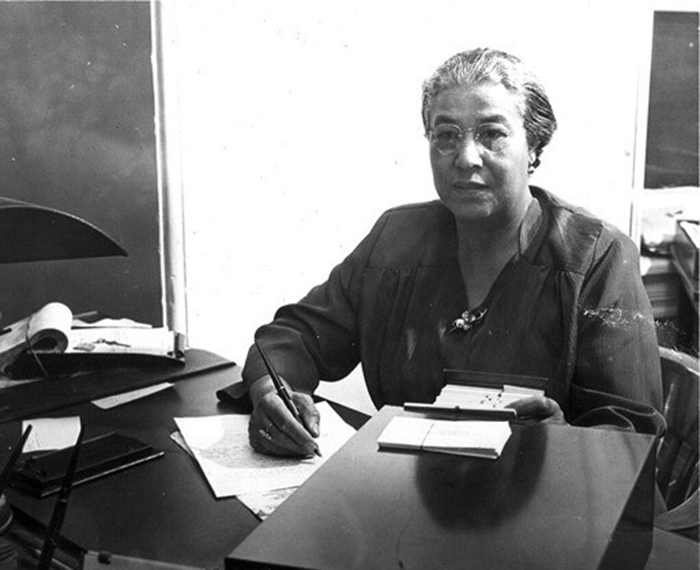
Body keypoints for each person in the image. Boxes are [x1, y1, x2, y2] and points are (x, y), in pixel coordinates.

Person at [240, 47, 665, 457]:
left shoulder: (595, 257)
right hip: (410, 498)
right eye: (446, 135)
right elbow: (294, 336)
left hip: (545, 510)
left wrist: (556, 442)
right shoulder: (396, 238)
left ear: (533, 148)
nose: (465, 158)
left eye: (492, 134)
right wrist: (272, 396)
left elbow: (631, 438)